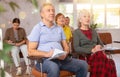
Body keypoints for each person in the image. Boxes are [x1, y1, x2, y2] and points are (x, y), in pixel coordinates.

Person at [27, 3, 88, 77]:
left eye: (53, 10)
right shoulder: (37, 28)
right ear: (42, 14)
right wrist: (47, 54)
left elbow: (66, 46)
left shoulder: (59, 28)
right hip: (45, 61)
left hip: (61, 59)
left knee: (83, 65)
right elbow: (30, 51)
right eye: (48, 11)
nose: (52, 12)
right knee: (54, 67)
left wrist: (65, 53)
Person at [73, 9, 117, 77]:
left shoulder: (93, 31)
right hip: (86, 57)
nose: (87, 18)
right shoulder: (76, 32)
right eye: (85, 16)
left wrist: (99, 46)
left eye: (88, 16)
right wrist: (92, 50)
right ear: (80, 20)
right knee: (105, 60)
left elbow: (101, 44)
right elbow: (76, 48)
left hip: (98, 55)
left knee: (110, 62)